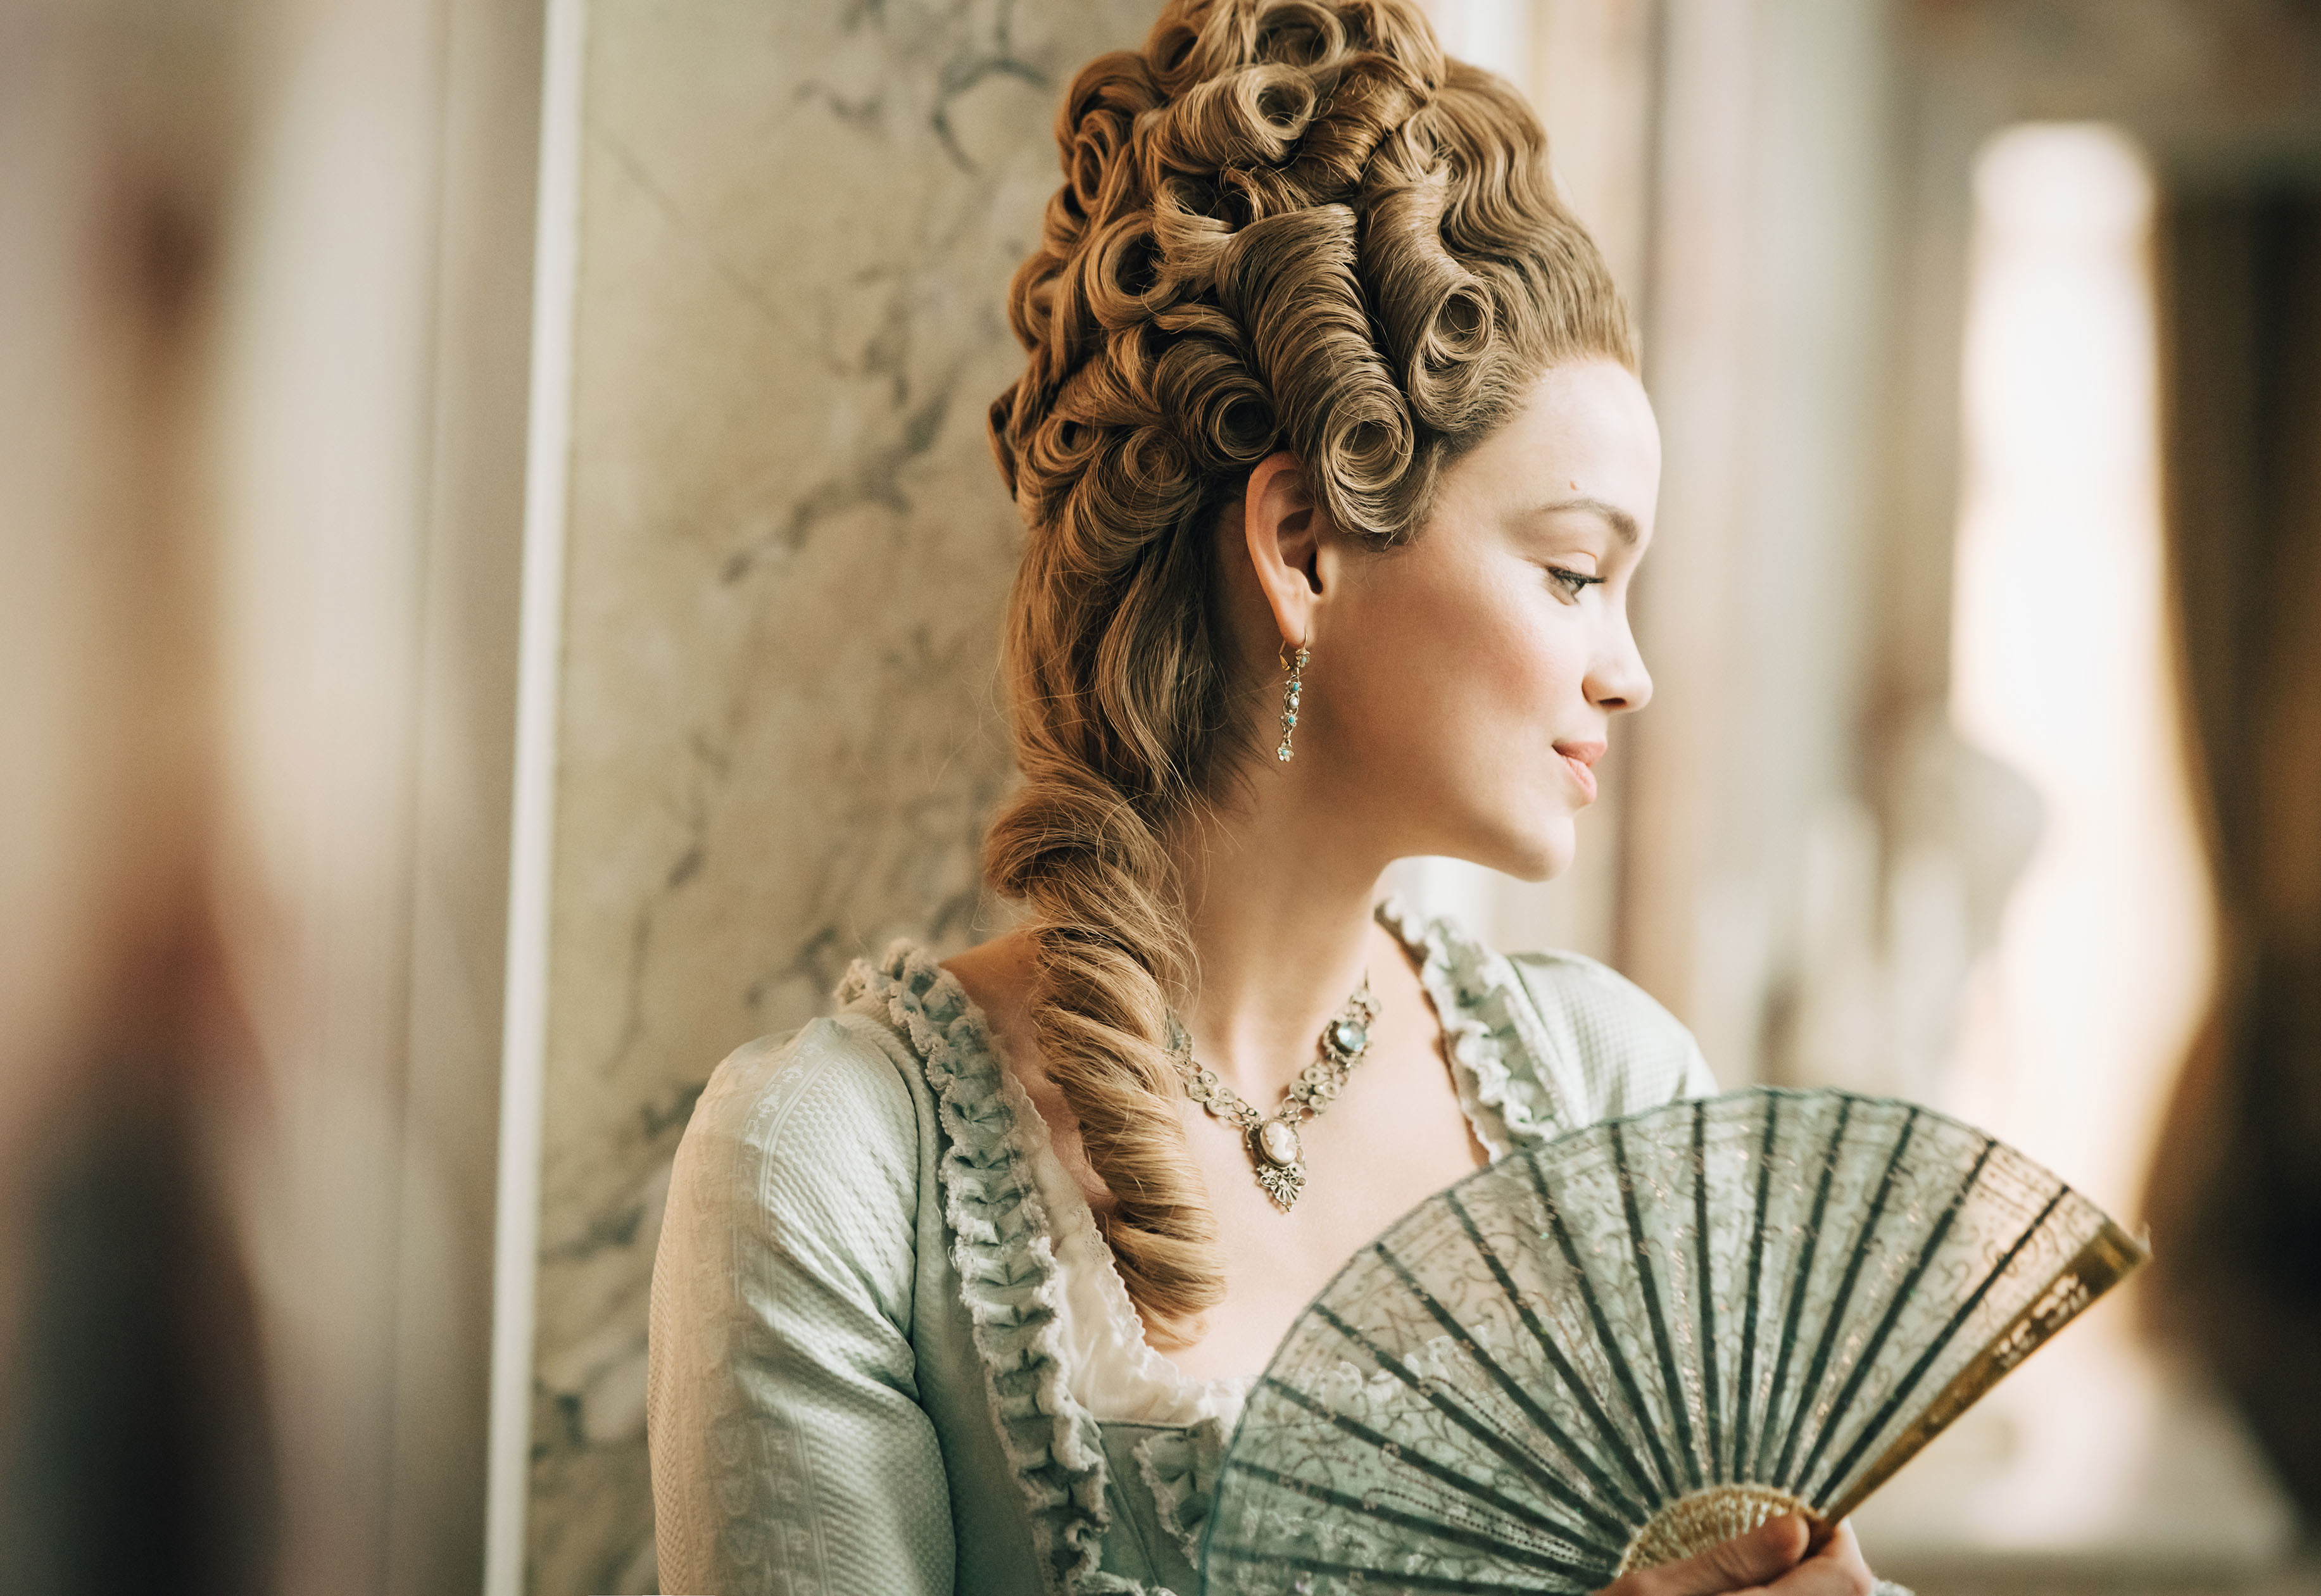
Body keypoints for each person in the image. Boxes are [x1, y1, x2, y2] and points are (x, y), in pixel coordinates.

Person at [647, 1, 1892, 1592]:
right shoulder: (835, 1166)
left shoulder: (1618, 1096)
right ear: (1304, 543)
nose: (1627, 669)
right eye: (1576, 571)